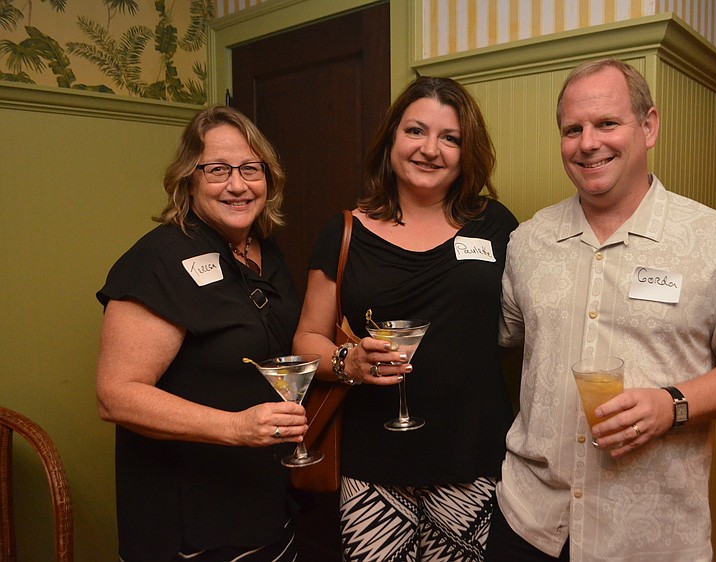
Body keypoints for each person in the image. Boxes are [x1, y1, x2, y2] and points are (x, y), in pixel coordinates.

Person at [485, 59, 716, 562]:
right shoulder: (529, 241)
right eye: (572, 129)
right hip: (529, 523)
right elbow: (504, 337)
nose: (588, 142)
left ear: (649, 126)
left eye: (607, 123)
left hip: (650, 539)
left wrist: (671, 405)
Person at [293, 76, 519, 561]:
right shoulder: (345, 230)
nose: (430, 149)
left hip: (472, 461)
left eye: (450, 138)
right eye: (416, 131)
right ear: (392, 138)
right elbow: (307, 339)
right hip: (373, 465)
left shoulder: (496, 225)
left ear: (466, 151)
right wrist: (347, 360)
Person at [96, 106, 306, 562]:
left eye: (251, 169)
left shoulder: (264, 249)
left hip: (264, 502)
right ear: (188, 178)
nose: (238, 184)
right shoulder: (159, 260)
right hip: (190, 520)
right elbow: (116, 395)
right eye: (218, 170)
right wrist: (236, 427)